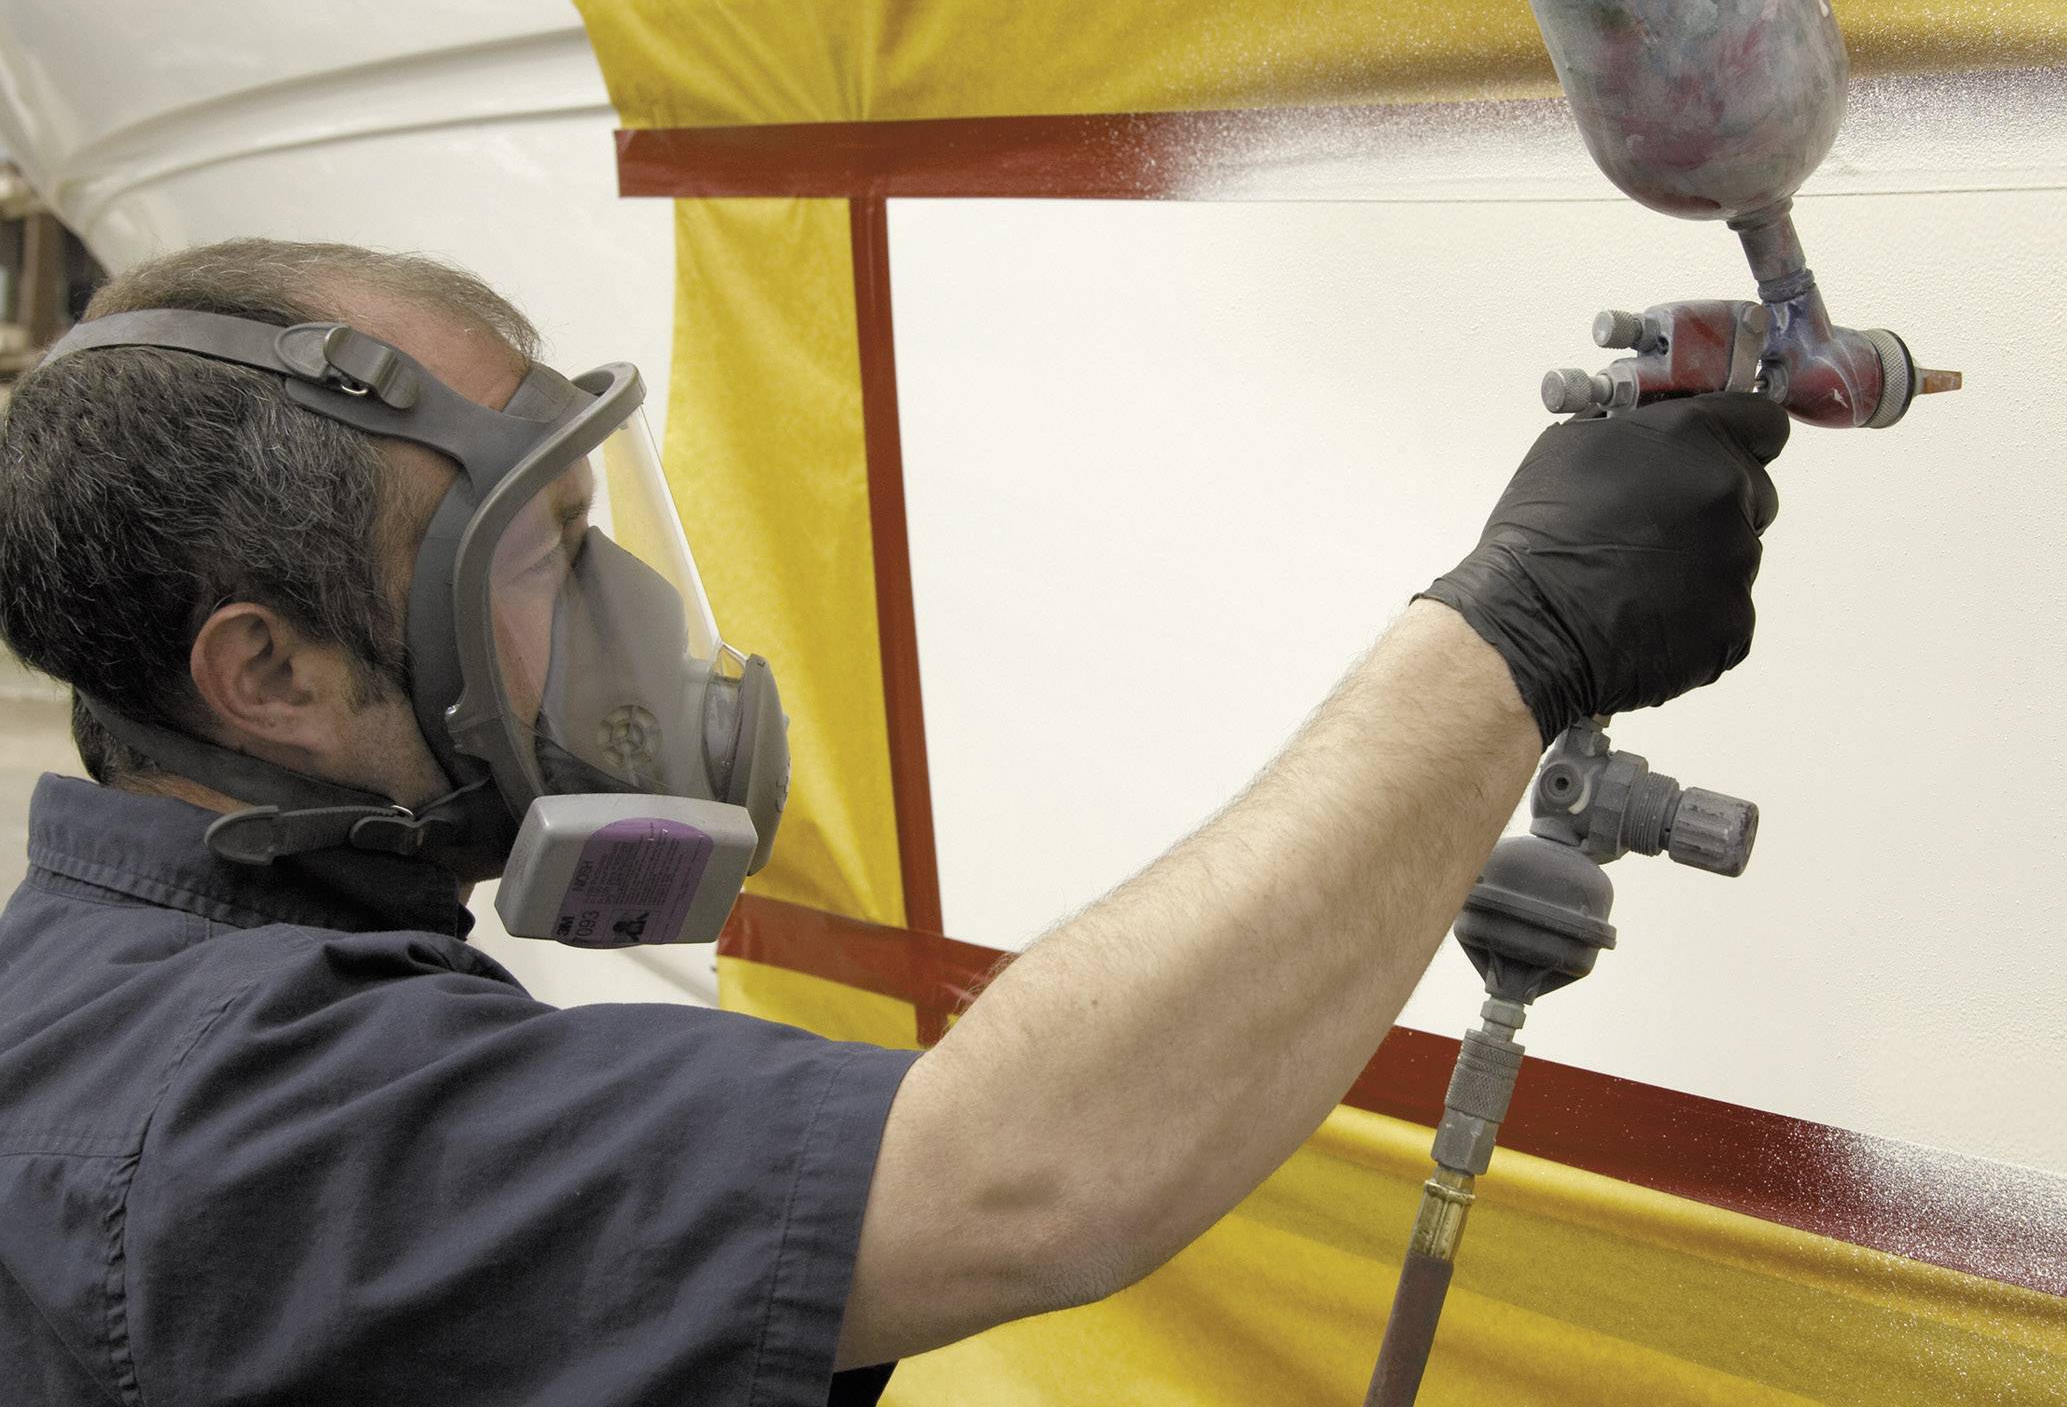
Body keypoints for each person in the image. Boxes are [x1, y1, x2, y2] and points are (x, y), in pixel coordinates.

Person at [0, 239, 1785, 1404]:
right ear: (270, 677)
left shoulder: (114, 989)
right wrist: (1519, 636)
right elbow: (1014, 1177)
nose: (619, 605)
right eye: (541, 554)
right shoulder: (244, 1128)